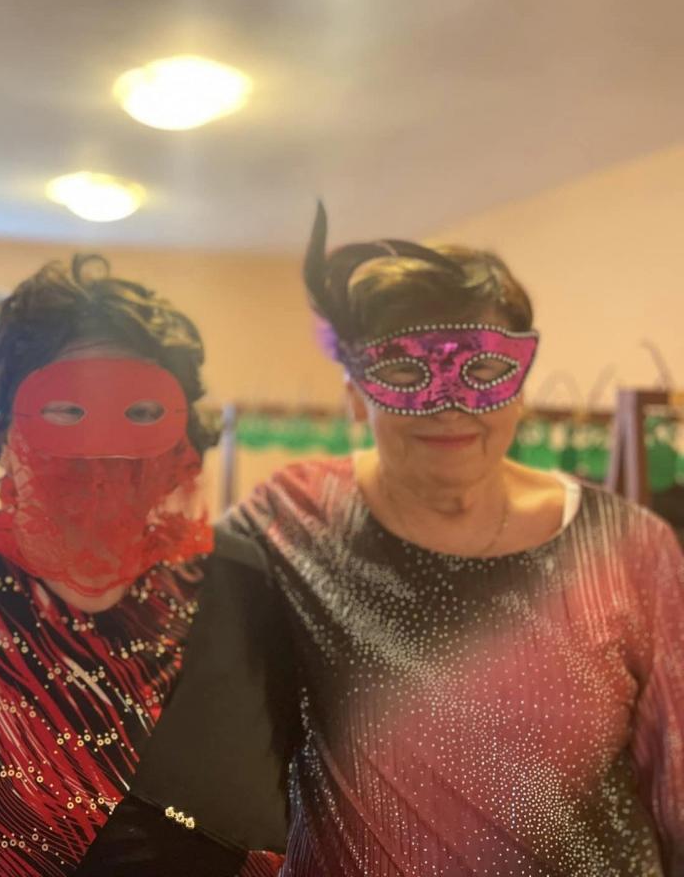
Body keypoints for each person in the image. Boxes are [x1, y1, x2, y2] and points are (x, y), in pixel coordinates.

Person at [225, 204, 684, 875]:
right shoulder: (292, 518)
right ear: (355, 393)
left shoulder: (626, 546)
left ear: (520, 385)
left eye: (484, 371)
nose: (451, 405)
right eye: (405, 374)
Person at [0, 254, 291, 876]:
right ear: (8, 433)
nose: (102, 449)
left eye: (140, 413)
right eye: (66, 410)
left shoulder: (246, 585)